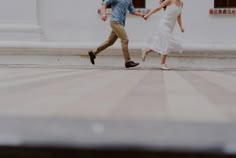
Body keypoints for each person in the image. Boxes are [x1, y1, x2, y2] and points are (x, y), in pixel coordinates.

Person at [88, 0, 144, 68]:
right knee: (125, 39)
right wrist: (103, 14)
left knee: (110, 42)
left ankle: (93, 53)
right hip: (115, 21)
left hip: (120, 23)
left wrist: (142, 15)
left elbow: (132, 11)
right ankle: (128, 61)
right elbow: (105, 3)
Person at [142, 0, 184, 70]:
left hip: (170, 27)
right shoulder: (169, 1)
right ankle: (162, 63)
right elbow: (158, 8)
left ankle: (146, 51)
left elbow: (179, 16)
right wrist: (148, 15)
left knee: (161, 43)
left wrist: (181, 27)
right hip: (163, 25)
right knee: (167, 43)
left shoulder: (181, 4)